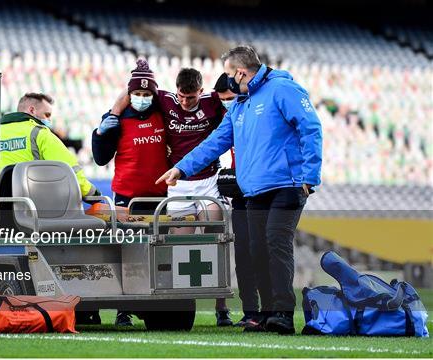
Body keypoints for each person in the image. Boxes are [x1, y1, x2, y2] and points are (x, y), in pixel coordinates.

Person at [157, 46, 323, 334]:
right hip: (254, 190)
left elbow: (311, 127)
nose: (228, 80)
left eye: (229, 75)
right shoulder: (241, 104)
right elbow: (215, 142)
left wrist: (310, 176)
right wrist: (181, 168)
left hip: (288, 184)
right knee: (256, 249)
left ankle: (283, 312)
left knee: (275, 244)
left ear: (241, 73)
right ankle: (267, 314)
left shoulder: (283, 89)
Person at [0, 93, 99, 291]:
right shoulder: (40, 134)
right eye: (46, 114)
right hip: (42, 213)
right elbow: (71, 172)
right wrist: (94, 194)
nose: (48, 119)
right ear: (32, 111)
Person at [111, 66, 233, 327]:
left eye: (192, 97)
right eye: (182, 96)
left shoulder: (214, 102)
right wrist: (111, 114)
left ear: (202, 91)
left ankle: (222, 308)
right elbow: (129, 93)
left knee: (216, 240)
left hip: (209, 182)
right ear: (176, 91)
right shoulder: (166, 100)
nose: (186, 102)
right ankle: (176, 303)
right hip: (177, 184)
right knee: (178, 247)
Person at [92, 59, 168, 326]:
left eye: (147, 94)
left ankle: (157, 306)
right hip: (127, 198)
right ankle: (124, 308)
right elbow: (100, 158)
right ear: (129, 94)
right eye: (137, 94)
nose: (142, 98)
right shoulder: (117, 118)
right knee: (126, 252)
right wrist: (101, 132)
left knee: (158, 254)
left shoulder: (164, 114)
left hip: (159, 199)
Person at [214, 73, 263, 328]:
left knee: (262, 253)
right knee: (243, 254)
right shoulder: (225, 120)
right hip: (239, 196)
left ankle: (272, 310)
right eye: (222, 99)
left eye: (230, 98)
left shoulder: (254, 116)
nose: (227, 103)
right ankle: (251, 311)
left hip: (260, 192)